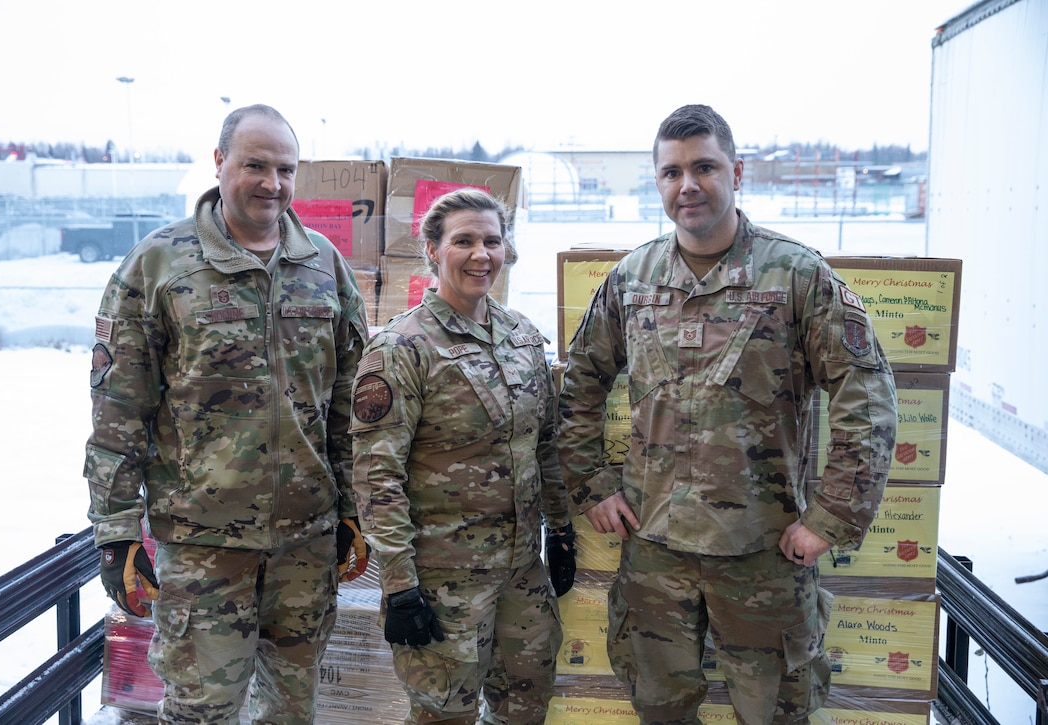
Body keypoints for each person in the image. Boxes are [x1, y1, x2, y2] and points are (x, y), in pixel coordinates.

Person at [556, 104, 898, 724]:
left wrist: (832, 515)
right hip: (655, 551)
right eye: (671, 172)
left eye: (705, 167)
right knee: (660, 710)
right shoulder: (632, 280)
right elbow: (578, 385)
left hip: (765, 552)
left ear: (736, 171)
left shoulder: (795, 275)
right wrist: (591, 486)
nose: (688, 185)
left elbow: (866, 399)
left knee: (775, 714)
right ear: (658, 182)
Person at [84, 103, 369, 724]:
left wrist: (353, 508)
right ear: (219, 163)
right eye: (255, 165)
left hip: (305, 542)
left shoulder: (324, 265)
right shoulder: (159, 265)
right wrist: (115, 531)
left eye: (285, 169)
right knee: (201, 712)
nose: (271, 183)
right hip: (204, 546)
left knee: (291, 710)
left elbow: (349, 403)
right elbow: (118, 409)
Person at [349, 187, 575, 724]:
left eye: (492, 241)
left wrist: (561, 530)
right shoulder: (402, 348)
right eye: (464, 241)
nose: (481, 255)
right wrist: (399, 585)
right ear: (432, 250)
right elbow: (377, 475)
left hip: (522, 572)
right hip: (443, 580)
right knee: (442, 715)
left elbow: (544, 446)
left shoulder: (521, 337)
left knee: (525, 707)